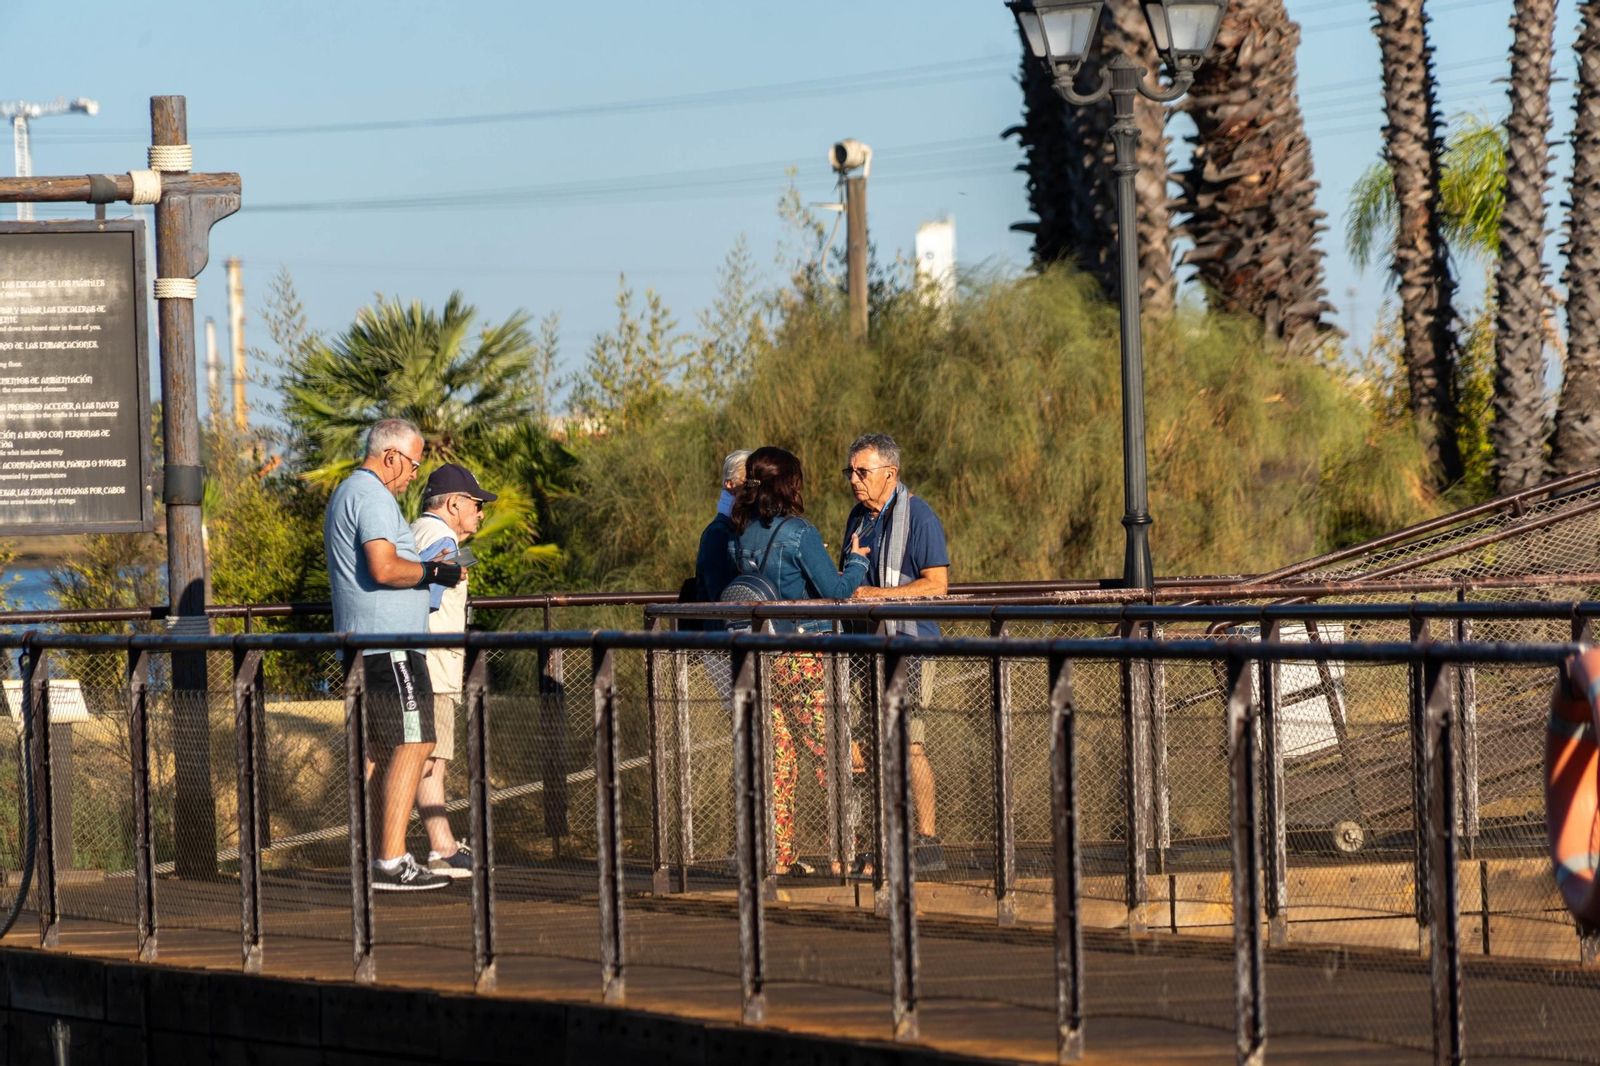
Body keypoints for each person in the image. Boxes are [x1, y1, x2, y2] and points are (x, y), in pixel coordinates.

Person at [324, 418, 462, 892]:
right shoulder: (372, 496)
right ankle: (390, 860)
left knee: (380, 752)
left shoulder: (351, 492)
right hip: (390, 646)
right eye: (414, 465)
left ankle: (375, 857)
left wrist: (424, 570)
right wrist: (433, 573)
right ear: (391, 457)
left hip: (371, 644)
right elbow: (383, 568)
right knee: (415, 742)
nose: (414, 475)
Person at [728, 446, 871, 875]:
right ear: (789, 484)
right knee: (831, 754)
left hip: (760, 657)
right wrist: (857, 562)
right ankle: (846, 852)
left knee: (780, 757)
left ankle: (779, 854)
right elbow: (837, 591)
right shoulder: (800, 532)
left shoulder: (741, 533)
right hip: (803, 657)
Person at [839, 433, 950, 863]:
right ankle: (881, 835)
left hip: (909, 645)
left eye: (862, 471)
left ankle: (927, 840)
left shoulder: (920, 517)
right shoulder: (858, 518)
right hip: (863, 646)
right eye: (850, 471)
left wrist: (879, 596)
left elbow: (937, 586)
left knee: (910, 743)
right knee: (863, 745)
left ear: (891, 473)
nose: (854, 479)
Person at [409, 463, 497, 879]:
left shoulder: (415, 531)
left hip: (418, 659)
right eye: (476, 504)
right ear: (454, 504)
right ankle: (441, 849)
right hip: (434, 663)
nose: (480, 512)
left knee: (425, 755)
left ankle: (436, 847)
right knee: (432, 757)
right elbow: (424, 598)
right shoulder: (441, 539)